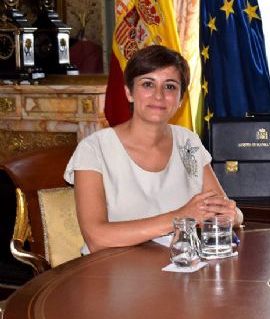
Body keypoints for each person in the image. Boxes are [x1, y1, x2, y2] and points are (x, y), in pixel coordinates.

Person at [65, 45, 243, 253]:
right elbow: (97, 238)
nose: (158, 95)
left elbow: (223, 210)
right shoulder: (93, 149)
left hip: (180, 268)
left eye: (169, 87)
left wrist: (234, 216)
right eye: (148, 84)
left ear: (180, 99)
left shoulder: (188, 142)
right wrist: (181, 217)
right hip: (112, 274)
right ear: (129, 93)